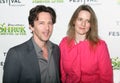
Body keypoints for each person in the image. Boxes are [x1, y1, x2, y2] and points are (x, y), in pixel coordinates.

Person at [3, 5, 60, 83]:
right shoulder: (16, 54)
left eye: (49, 23)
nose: (47, 28)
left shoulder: (56, 49)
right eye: (41, 23)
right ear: (31, 26)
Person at [59, 4, 113, 83]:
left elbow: (106, 78)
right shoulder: (64, 43)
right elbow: (62, 74)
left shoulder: (100, 46)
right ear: (74, 21)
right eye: (80, 19)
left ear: (91, 25)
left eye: (87, 21)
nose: (83, 24)